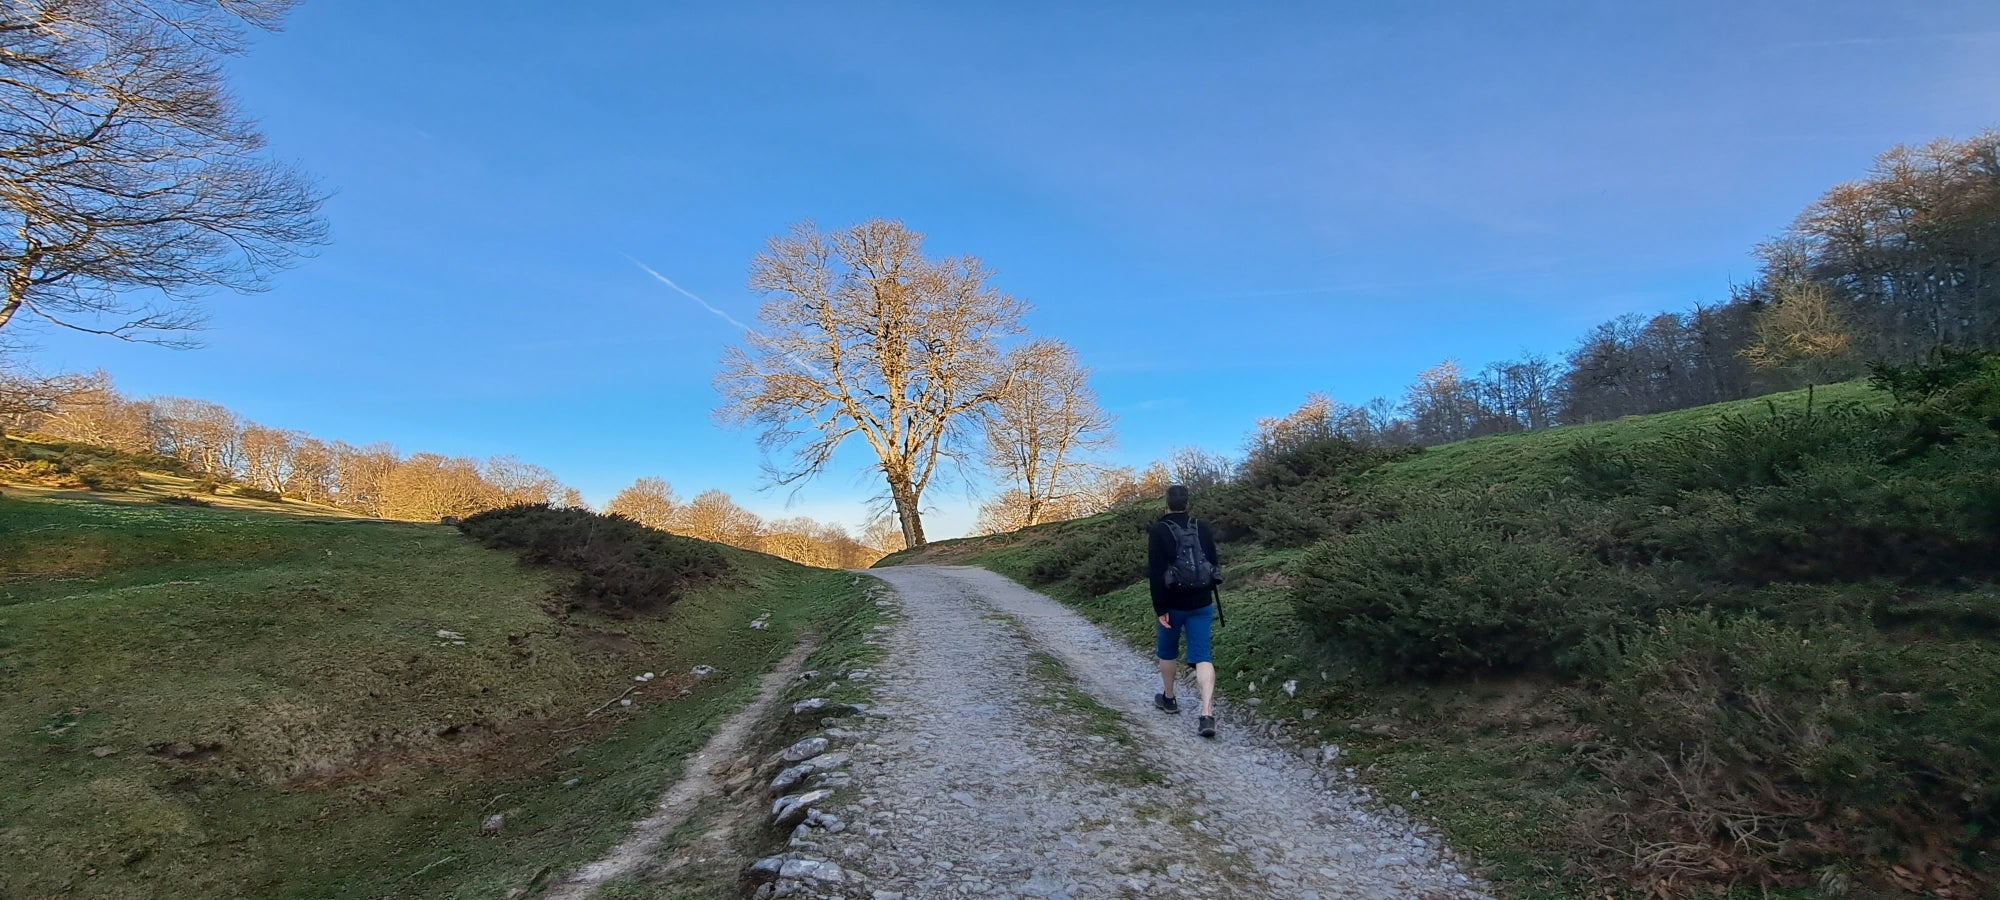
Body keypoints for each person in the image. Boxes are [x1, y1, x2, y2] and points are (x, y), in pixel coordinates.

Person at [1148, 484, 1221, 737]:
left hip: (1172, 604)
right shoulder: (1202, 527)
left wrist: (1160, 607)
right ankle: (1207, 714)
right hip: (1202, 603)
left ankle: (1169, 698)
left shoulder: (1159, 530)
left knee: (1167, 651)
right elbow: (1213, 563)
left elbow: (1156, 572)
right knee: (1203, 656)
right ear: (1187, 503)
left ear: (1166, 502)